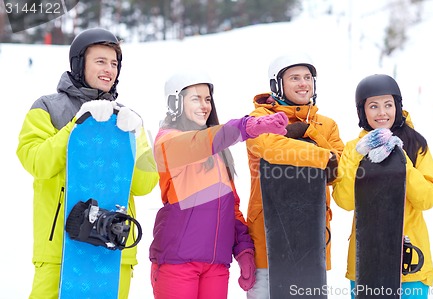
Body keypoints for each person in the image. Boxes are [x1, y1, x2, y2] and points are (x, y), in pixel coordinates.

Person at [16, 28, 159, 299]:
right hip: (60, 249)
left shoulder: (126, 117)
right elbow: (37, 162)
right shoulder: (46, 107)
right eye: (101, 61)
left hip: (114, 249)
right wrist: (77, 126)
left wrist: (133, 139)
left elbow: (143, 184)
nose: (109, 69)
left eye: (114, 63)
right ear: (79, 63)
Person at [149, 69, 289, 299]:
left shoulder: (218, 153)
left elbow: (231, 207)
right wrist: (247, 127)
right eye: (195, 98)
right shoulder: (168, 141)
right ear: (175, 102)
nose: (205, 106)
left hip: (216, 265)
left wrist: (243, 249)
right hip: (177, 262)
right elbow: (198, 142)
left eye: (207, 99)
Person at [245, 52, 345, 299]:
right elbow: (269, 147)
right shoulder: (259, 119)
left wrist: (310, 132)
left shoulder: (326, 125)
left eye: (308, 77)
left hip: (311, 239)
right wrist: (322, 156)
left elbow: (339, 168)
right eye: (294, 78)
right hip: (268, 240)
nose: (303, 83)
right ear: (277, 85)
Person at [332, 74, 433, 299]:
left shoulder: (416, 144)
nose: (382, 112)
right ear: (363, 112)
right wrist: (358, 157)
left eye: (388, 105)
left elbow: (427, 199)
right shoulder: (353, 149)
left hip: (409, 262)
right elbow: (345, 201)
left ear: (397, 107)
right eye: (374, 106)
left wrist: (401, 160)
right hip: (366, 261)